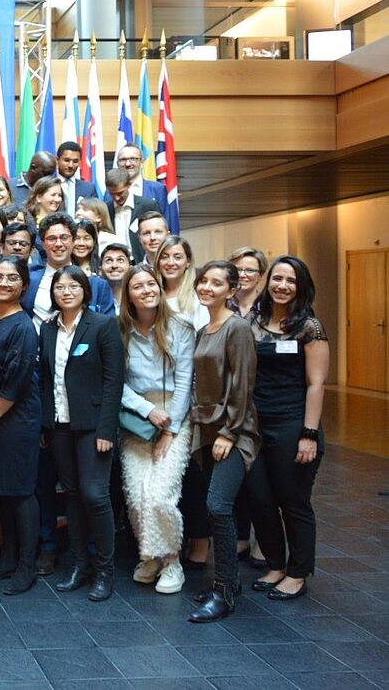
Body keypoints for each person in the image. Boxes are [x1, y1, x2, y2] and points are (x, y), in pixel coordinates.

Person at [37, 265, 124, 602]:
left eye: (74, 286)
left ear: (85, 291)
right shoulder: (48, 329)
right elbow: (46, 378)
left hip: (92, 427)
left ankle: (105, 569)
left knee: (94, 495)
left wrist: (106, 429)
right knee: (71, 494)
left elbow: (114, 380)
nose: (66, 291)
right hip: (59, 425)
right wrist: (46, 422)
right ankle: (79, 564)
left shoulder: (102, 326)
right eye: (60, 286)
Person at [246, 256, 327, 601]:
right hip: (256, 426)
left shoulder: (309, 327)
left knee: (293, 502)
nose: (282, 286)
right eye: (277, 278)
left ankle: (298, 572)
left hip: (293, 424)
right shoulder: (255, 320)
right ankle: (276, 565)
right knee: (260, 500)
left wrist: (308, 434)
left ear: (300, 286)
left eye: (290, 281)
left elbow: (316, 384)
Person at [187, 260, 259, 623]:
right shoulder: (205, 329)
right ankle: (226, 579)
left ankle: (225, 591)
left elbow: (242, 384)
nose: (207, 288)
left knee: (217, 506)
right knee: (216, 508)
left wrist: (230, 433)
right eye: (203, 281)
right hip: (208, 430)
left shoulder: (238, 328)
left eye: (216, 283)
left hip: (235, 433)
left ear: (231, 291)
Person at [117, 264, 195, 595]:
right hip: (135, 418)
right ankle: (149, 556)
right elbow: (113, 381)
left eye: (152, 284)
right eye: (138, 286)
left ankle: (172, 562)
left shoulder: (180, 328)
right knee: (136, 495)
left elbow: (185, 382)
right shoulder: (118, 330)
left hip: (175, 419)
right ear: (128, 295)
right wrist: (147, 410)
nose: (147, 290)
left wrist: (169, 429)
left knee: (160, 494)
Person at [0, 256, 42, 595]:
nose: (3, 283)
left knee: (20, 493)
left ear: (24, 285)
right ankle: (8, 557)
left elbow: (16, 382)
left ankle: (26, 566)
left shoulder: (23, 326)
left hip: (15, 418)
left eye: (11, 278)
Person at [105, 167, 161, 259]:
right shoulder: (105, 209)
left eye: (120, 193)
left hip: (141, 263)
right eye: (112, 194)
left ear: (129, 185)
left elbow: (159, 234)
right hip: (115, 265)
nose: (116, 198)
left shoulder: (148, 206)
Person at [156, 235, 209, 330]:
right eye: (164, 257)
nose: (170, 263)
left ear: (188, 262)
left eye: (177, 257)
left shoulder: (198, 295)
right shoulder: (152, 294)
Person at [228, 246, 268, 316]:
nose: (242, 275)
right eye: (238, 270)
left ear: (260, 275)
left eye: (250, 270)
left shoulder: (267, 307)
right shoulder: (219, 304)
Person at [100, 242, 133, 310]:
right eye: (109, 261)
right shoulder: (95, 299)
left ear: (130, 268)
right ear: (100, 270)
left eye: (120, 260)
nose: (114, 265)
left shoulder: (136, 299)